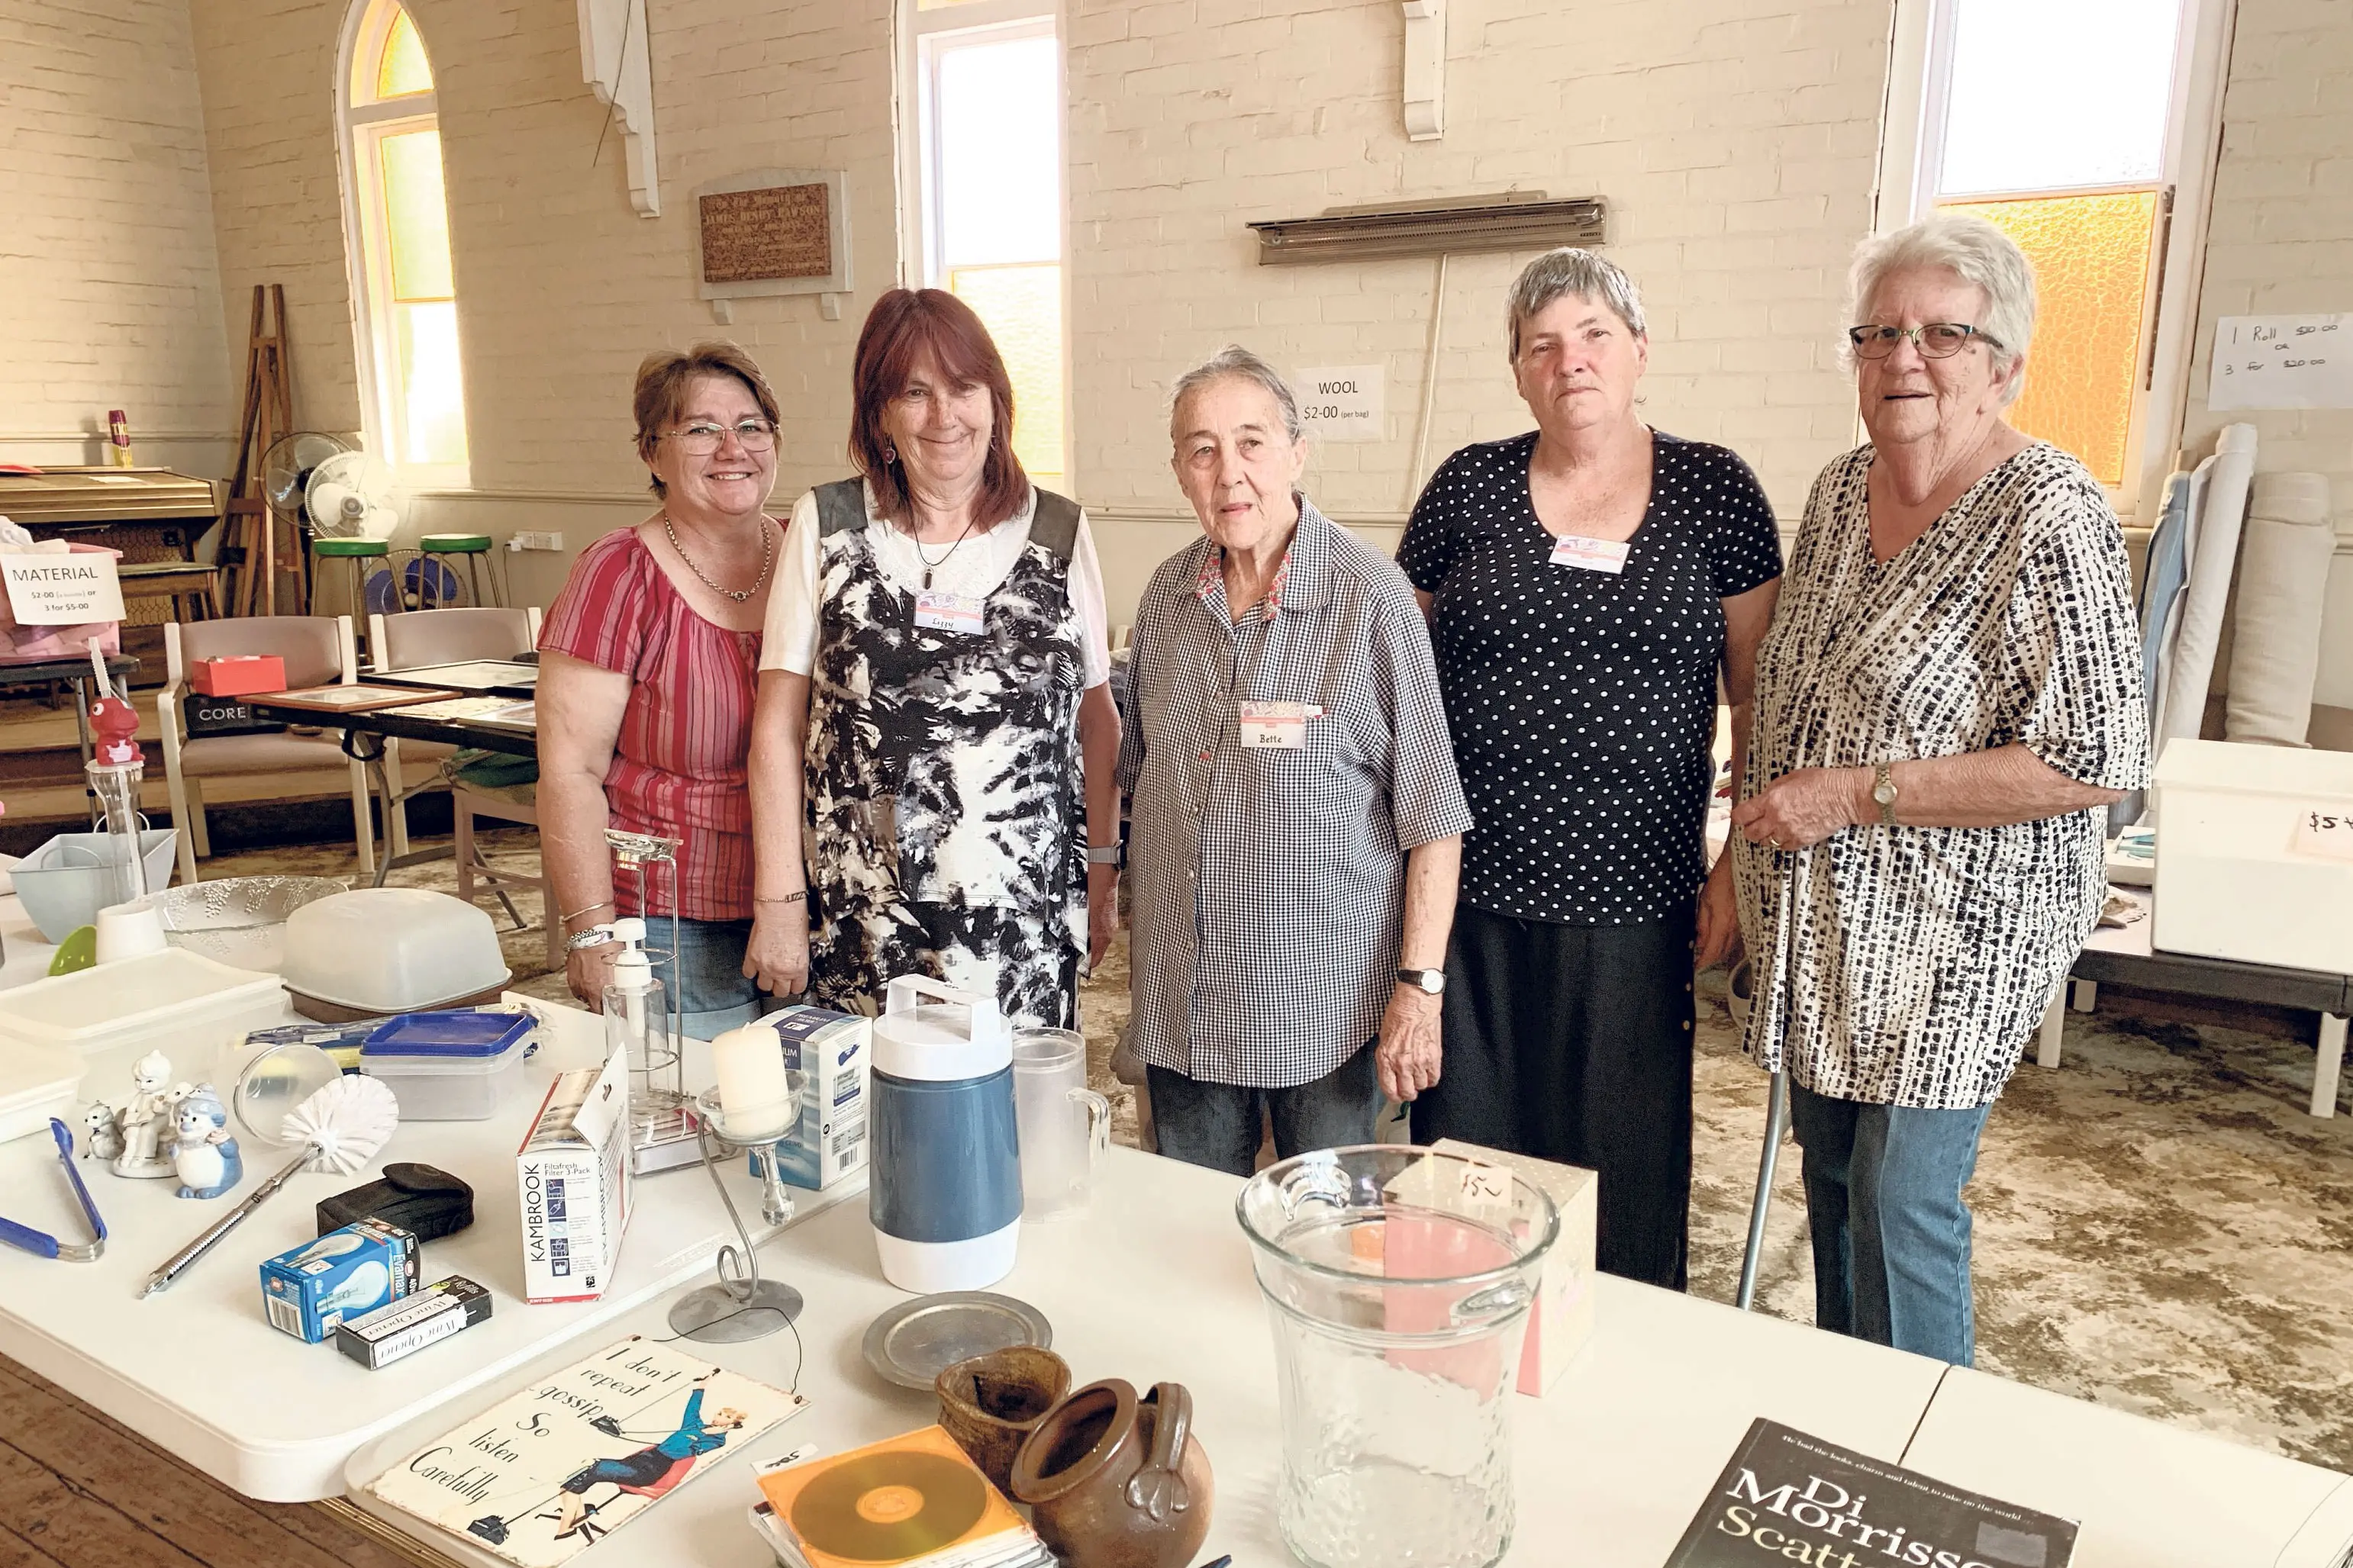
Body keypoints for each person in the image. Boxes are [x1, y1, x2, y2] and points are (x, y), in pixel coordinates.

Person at [1732, 215, 2147, 1367]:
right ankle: (1851, 1416)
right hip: (1827, 917)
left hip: (1968, 925)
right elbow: (1786, 672)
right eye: (1879, 333)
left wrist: (1857, 792)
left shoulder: (2047, 511)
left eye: (1941, 335)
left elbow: (2094, 757)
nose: (1902, 358)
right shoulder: (1832, 491)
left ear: (2003, 364)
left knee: (1901, 1189)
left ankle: (1928, 1463)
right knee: (1829, 1173)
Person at [1396, 248, 1783, 1290]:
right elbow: (1396, 688)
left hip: (1635, 900)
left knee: (1618, 1166)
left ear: (1639, 352)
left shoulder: (1714, 491)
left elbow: (1756, 704)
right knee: (1466, 1169)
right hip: (1468, 894)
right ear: (1518, 373)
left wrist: (1731, 869)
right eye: (1541, 344)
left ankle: (1612, 1362)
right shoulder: (1465, 487)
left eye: (1594, 335)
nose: (1570, 360)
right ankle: (1460, 1347)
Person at [1121, 346, 1471, 1177]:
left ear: (1295, 452)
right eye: (1200, 450)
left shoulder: (1369, 597)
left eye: (1250, 442)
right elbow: (1138, 778)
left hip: (1318, 1013)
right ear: (1178, 470)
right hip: (1184, 1009)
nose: (1227, 473)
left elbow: (1433, 817)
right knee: (1183, 1233)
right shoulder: (1167, 600)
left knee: (1327, 1249)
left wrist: (1417, 991)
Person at [745, 289, 1120, 1027]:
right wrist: (780, 901)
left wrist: (1101, 873)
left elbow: (1096, 721)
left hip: (1024, 922)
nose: (943, 416)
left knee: (1009, 1127)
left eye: (962, 387)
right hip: (867, 917)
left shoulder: (1059, 533)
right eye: (914, 392)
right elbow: (776, 731)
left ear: (995, 402)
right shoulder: (827, 527)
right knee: (877, 1126)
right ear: (879, 414)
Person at [538, 343, 785, 1038]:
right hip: (672, 921)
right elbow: (570, 768)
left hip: (803, 908)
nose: (732, 448)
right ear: (652, 453)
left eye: (752, 426)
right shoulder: (617, 573)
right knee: (699, 1130)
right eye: (701, 429)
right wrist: (590, 933)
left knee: (812, 1126)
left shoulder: (808, 556)